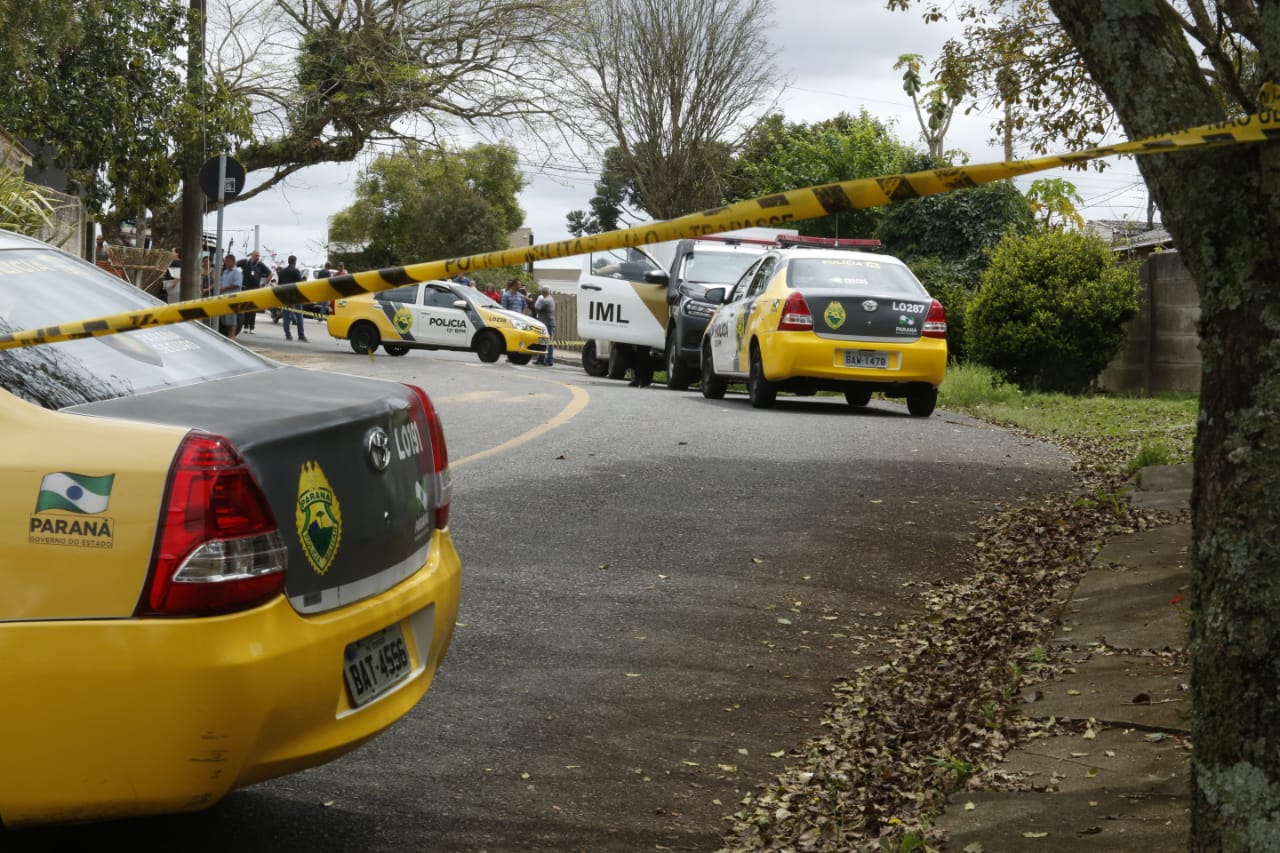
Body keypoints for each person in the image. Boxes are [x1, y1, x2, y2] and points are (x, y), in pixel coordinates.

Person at [236, 250, 273, 334]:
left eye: (258, 256)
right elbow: (234, 264)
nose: (257, 257)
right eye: (256, 255)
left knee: (253, 309)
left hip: (255, 289)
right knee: (245, 308)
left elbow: (270, 274)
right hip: (245, 288)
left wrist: (263, 284)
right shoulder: (245, 262)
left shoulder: (260, 265)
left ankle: (252, 327)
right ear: (252, 255)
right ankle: (245, 326)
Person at [276, 255, 307, 341]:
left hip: (286, 297)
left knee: (286, 316)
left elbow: (279, 285)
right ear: (295, 262)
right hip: (296, 297)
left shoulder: (282, 272)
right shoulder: (295, 271)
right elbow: (300, 284)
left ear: (288, 261)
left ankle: (288, 335)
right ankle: (301, 335)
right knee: (299, 315)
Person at [218, 253, 243, 339]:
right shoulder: (225, 272)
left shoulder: (237, 272)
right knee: (225, 320)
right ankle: (228, 335)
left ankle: (232, 336)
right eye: (225, 261)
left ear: (233, 262)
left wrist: (224, 288)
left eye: (228, 261)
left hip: (233, 298)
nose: (226, 263)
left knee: (232, 319)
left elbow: (237, 284)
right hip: (224, 298)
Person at [533, 289, 556, 366]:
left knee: (547, 342)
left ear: (544, 292)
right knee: (544, 341)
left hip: (547, 323)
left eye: (542, 292)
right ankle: (541, 359)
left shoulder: (546, 300)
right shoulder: (550, 299)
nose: (541, 293)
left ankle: (549, 360)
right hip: (548, 323)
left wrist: (536, 303)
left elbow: (537, 308)